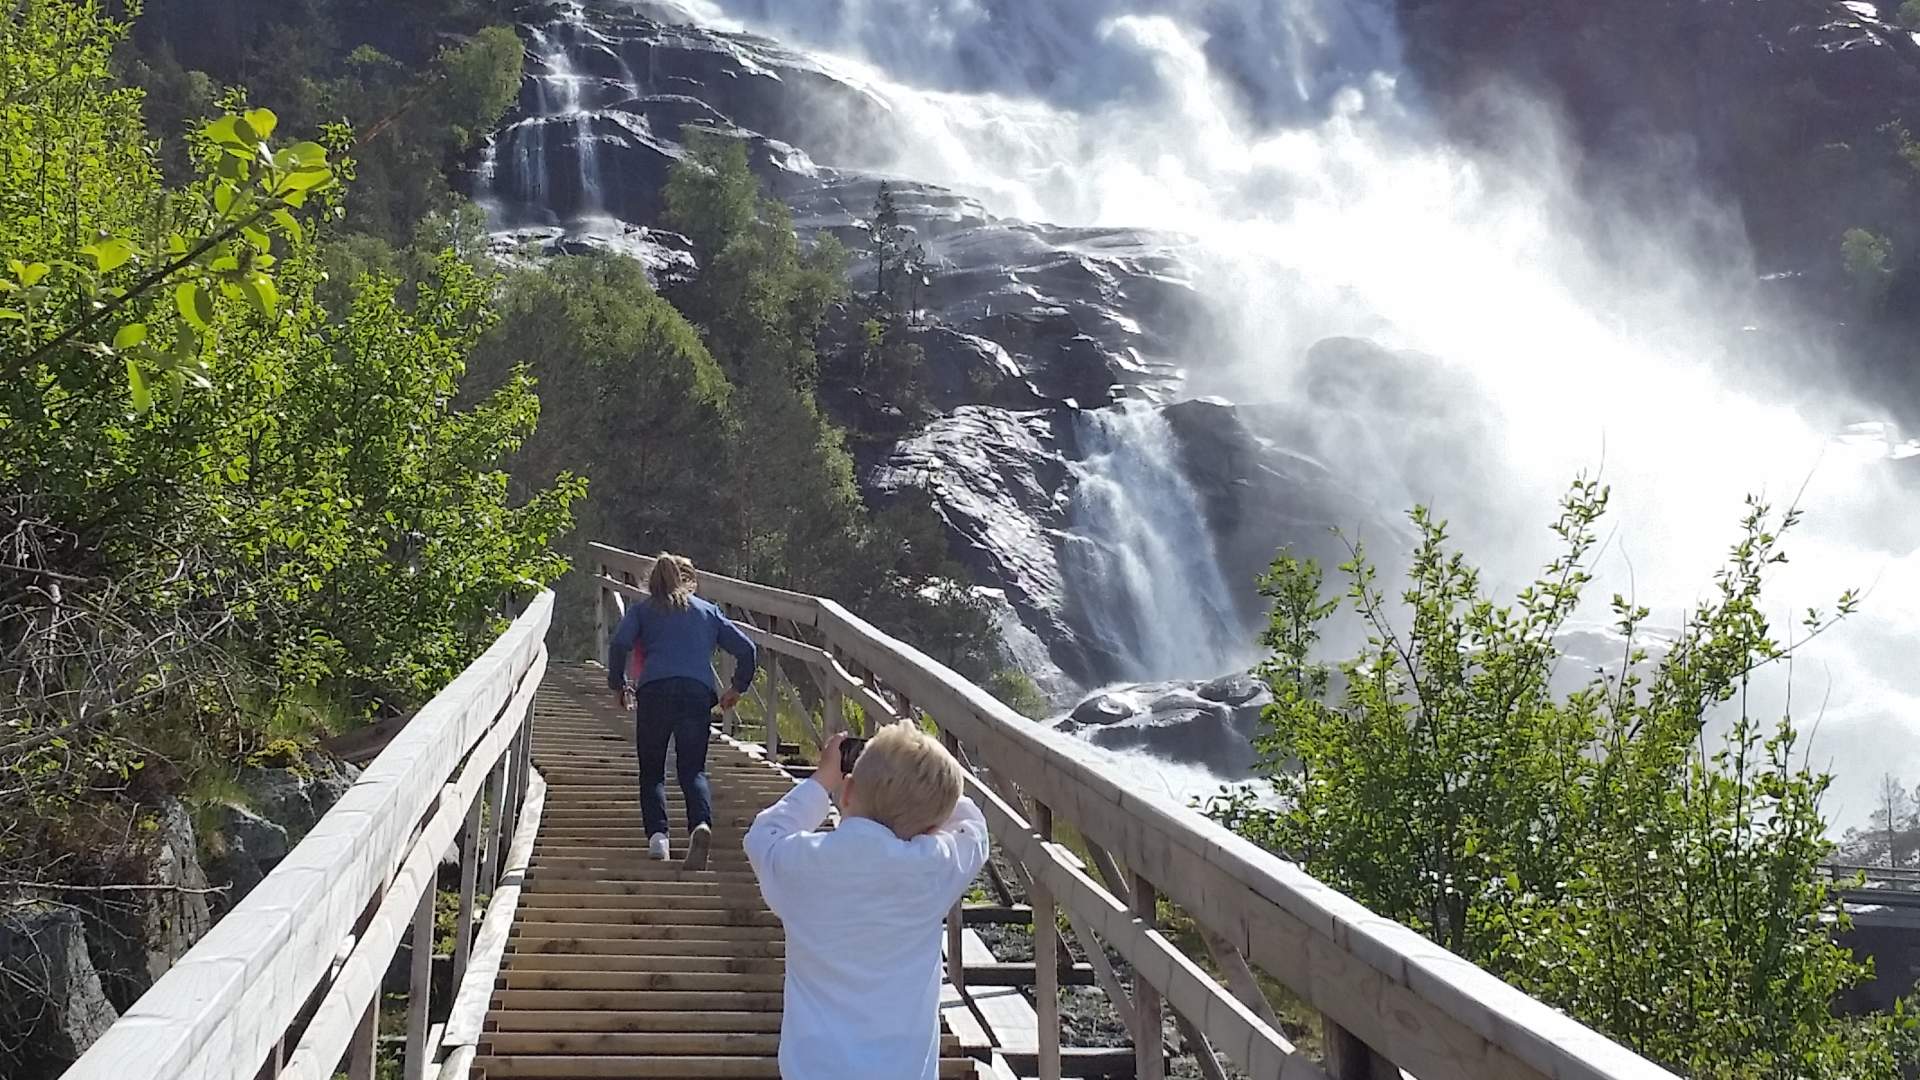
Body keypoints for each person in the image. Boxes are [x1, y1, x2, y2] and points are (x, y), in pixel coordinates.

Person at [745, 727, 989, 1080]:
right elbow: (973, 830)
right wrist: (932, 798)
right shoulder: (932, 868)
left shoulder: (802, 863)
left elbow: (764, 835)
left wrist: (822, 778)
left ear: (846, 794)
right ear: (933, 826)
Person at [607, 553, 757, 870]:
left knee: (652, 769)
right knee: (693, 770)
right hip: (696, 693)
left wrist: (618, 684)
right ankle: (700, 825)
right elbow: (747, 649)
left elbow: (620, 643)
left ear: (653, 581)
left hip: (655, 692)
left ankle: (659, 839)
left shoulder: (643, 611)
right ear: (686, 580)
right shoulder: (707, 612)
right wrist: (736, 688)